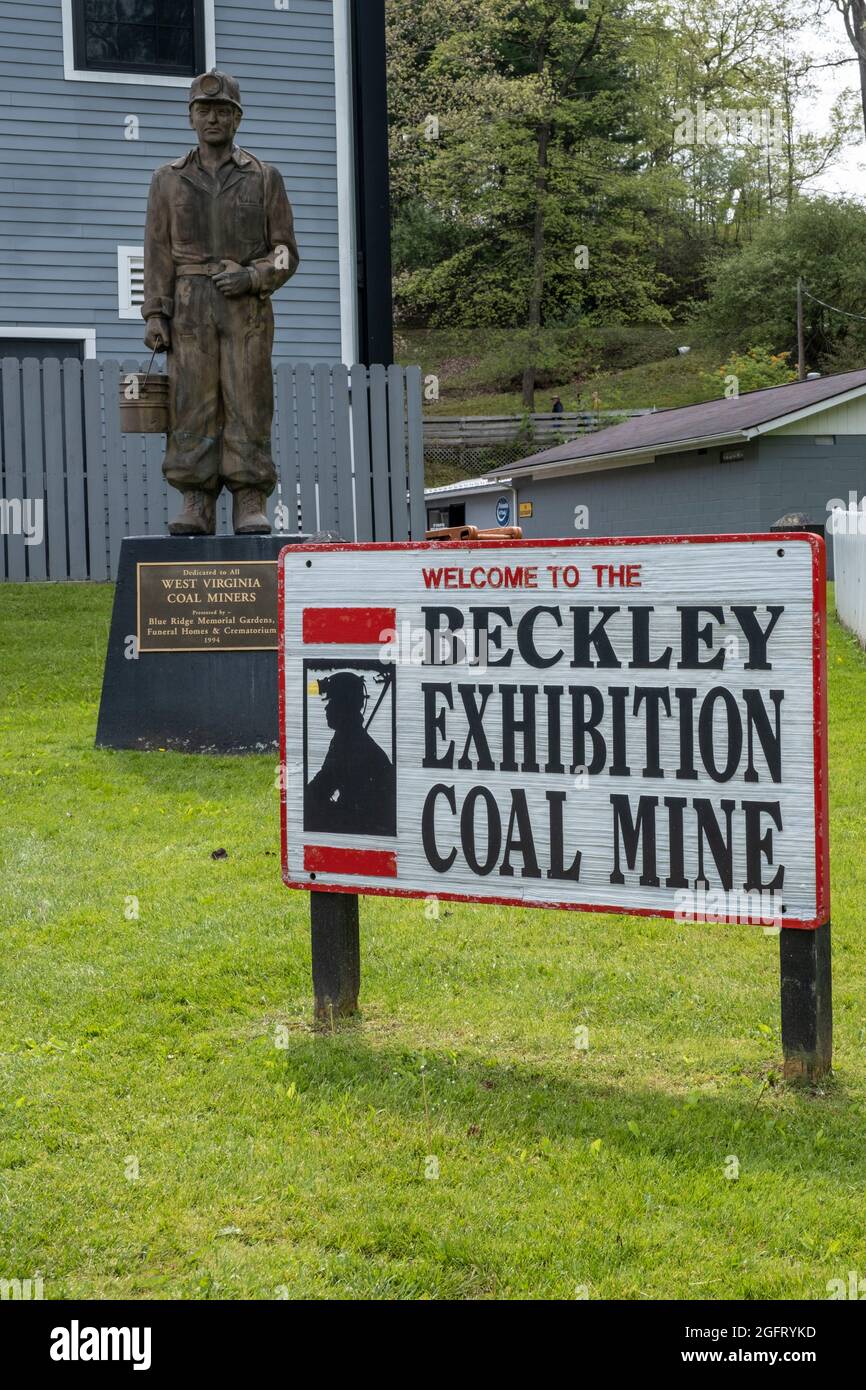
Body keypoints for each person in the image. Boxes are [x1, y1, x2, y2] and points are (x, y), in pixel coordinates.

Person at [142, 70, 300, 536]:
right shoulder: (166, 181)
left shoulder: (265, 177)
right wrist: (156, 311)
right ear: (191, 118)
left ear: (237, 119)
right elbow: (156, 252)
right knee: (191, 400)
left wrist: (253, 275)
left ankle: (250, 497)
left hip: (245, 309)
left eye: (223, 111)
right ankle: (196, 499)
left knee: (248, 399)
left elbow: (286, 252)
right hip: (189, 306)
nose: (213, 119)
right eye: (204, 110)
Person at [305, 672, 396, 836]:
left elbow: (322, 785)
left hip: (364, 824)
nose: (326, 707)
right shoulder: (345, 738)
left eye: (331, 701)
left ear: (343, 705)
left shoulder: (348, 742)